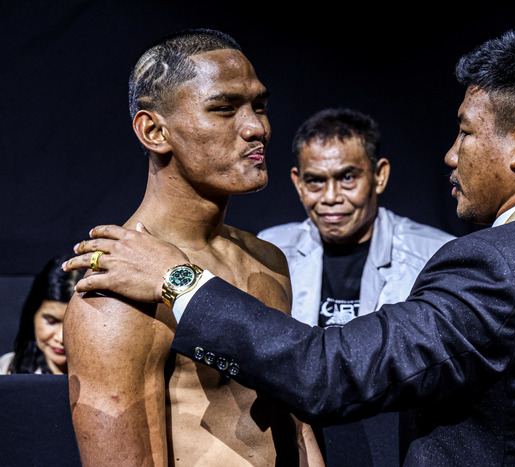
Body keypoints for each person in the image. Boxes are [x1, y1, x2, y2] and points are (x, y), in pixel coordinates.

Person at [66, 26, 515, 465]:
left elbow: (323, 376)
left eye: (465, 133)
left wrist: (177, 281)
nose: (450, 155)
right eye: (226, 108)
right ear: (153, 130)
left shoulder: (494, 269)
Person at [63, 29, 322, 466]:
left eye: (259, 106)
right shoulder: (116, 292)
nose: (256, 128)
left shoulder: (267, 259)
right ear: (154, 131)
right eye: (224, 109)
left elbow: (297, 430)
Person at [257, 108, 453, 464]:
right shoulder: (269, 251)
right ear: (297, 182)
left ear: (379, 176)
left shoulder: (435, 255)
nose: (331, 196)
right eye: (315, 181)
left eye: (347, 177)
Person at [0, 255, 79, 375]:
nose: (61, 337)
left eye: (75, 325)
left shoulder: (107, 378)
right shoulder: (7, 370)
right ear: (33, 315)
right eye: (51, 322)